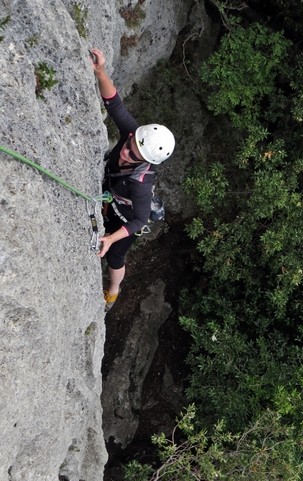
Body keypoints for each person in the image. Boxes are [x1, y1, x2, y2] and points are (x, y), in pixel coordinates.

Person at [90, 48, 175, 309]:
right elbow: (113, 102)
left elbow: (140, 219)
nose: (125, 152)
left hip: (127, 216)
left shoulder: (142, 183)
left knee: (115, 256)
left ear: (146, 161)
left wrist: (112, 237)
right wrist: (100, 71)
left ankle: (113, 290)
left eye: (134, 154)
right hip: (112, 192)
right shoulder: (133, 134)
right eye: (129, 145)